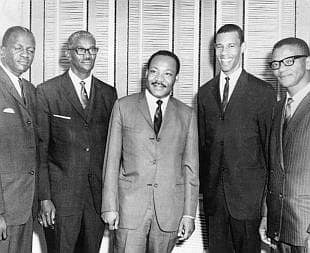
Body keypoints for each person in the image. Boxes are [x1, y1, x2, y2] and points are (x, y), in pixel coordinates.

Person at [101, 50, 199, 253]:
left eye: (167, 74)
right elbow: (111, 161)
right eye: (154, 72)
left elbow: (191, 169)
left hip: (169, 211)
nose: (159, 79)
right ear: (146, 73)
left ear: (176, 78)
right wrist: (109, 206)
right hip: (130, 209)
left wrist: (189, 215)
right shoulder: (123, 107)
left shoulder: (187, 115)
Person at [197, 24, 276, 253]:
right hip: (214, 202)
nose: (224, 53)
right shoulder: (204, 93)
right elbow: (203, 147)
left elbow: (270, 152)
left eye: (231, 46)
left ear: (242, 48)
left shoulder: (263, 92)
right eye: (219, 46)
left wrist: (266, 207)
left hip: (249, 203)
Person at [37, 30, 117, 253]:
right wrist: (44, 198)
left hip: (95, 199)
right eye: (81, 50)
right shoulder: (47, 92)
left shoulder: (109, 94)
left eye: (92, 50)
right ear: (68, 53)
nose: (87, 55)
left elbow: (113, 150)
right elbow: (41, 150)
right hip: (61, 201)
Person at [259, 37, 310, 253]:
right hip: (279, 225)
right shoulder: (277, 109)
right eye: (276, 64)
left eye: (289, 61)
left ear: (307, 62)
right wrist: (265, 215)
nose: (281, 69)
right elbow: (272, 168)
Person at [0, 26, 37, 252]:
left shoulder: (30, 90)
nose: (25, 54)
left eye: (31, 50)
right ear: (2, 51)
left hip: (25, 206)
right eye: (19, 48)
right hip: (5, 207)